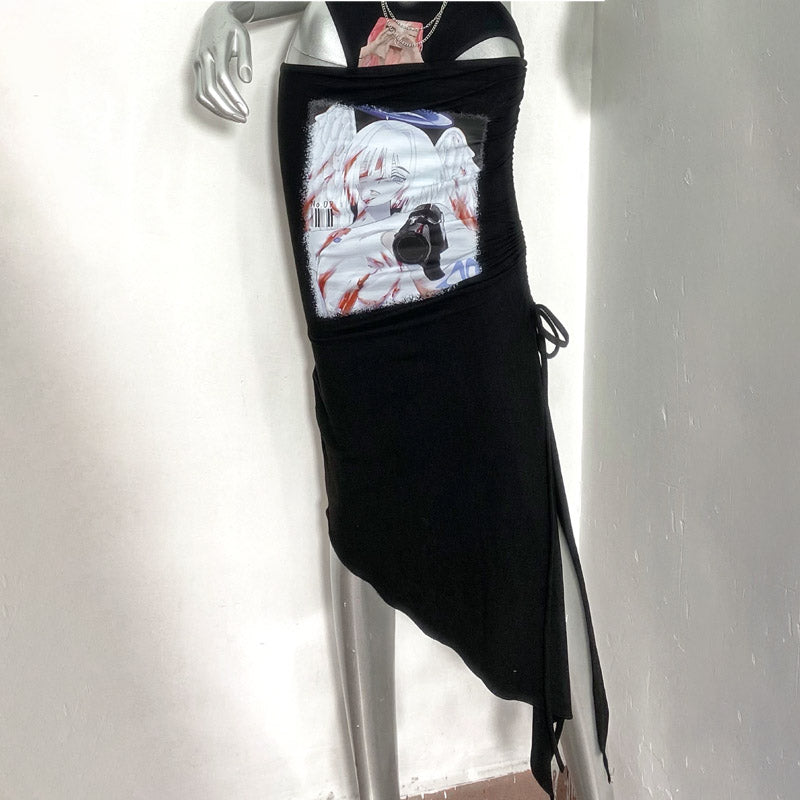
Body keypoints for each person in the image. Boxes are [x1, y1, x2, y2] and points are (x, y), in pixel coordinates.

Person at [192, 4, 614, 798]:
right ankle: (375, 789)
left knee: (519, 471)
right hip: (333, 65)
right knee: (366, 455)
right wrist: (235, 8)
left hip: (472, 62)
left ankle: (593, 773)